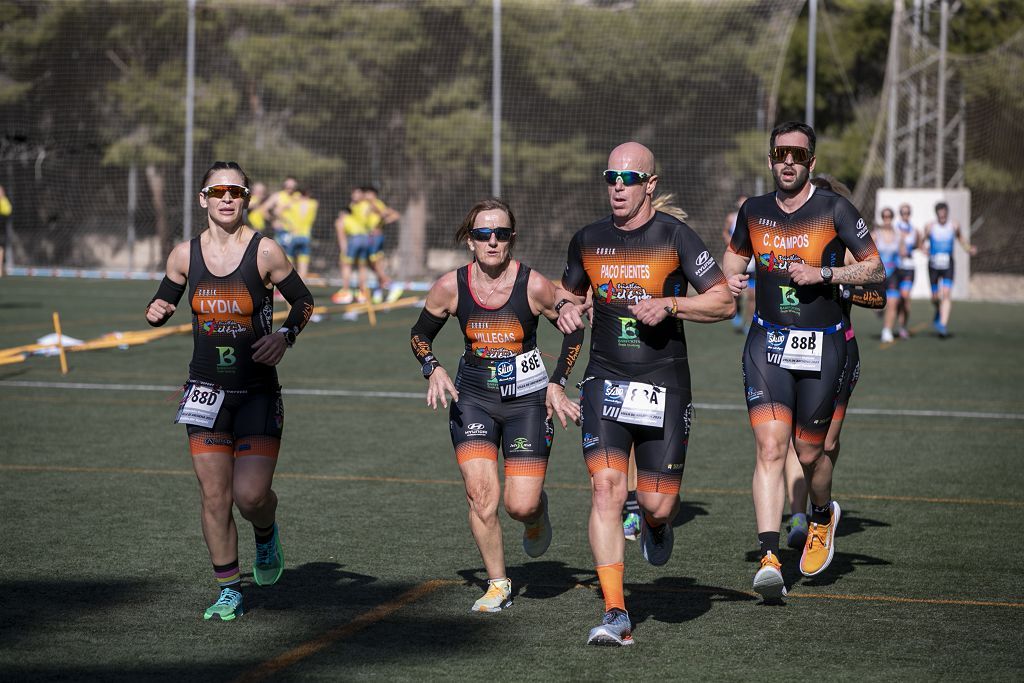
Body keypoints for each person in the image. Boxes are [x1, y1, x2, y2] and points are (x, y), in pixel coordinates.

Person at [556, 142, 734, 646]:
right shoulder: (587, 239)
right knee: (606, 489)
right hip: (605, 378)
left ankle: (657, 526)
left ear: (649, 185)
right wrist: (567, 310)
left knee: (656, 504)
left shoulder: (674, 236)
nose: (617, 185)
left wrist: (671, 305)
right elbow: (570, 296)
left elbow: (721, 302)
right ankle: (616, 611)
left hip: (664, 381)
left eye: (629, 178)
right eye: (610, 175)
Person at [721, 122, 884, 602]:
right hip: (767, 344)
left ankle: (819, 516)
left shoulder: (835, 208)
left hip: (825, 345)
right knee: (771, 448)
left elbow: (875, 268)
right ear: (770, 159)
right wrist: (732, 280)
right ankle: (770, 556)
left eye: (797, 154)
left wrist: (825, 273)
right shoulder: (752, 211)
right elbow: (733, 261)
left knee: (811, 453)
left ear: (811, 161)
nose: (787, 161)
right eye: (779, 153)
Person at [145, 161, 314, 621]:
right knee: (214, 496)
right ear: (203, 199)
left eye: (235, 192)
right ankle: (229, 590)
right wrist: (156, 308)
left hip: (256, 391)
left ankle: (266, 532)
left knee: (250, 496)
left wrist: (284, 337)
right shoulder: (183, 255)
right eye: (217, 191)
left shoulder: (265, 252)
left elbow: (303, 301)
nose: (226, 198)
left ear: (245, 200)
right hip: (203, 391)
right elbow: (165, 297)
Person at [410, 197, 583, 614]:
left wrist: (557, 384)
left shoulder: (534, 285)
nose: (492, 242)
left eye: (501, 234)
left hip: (527, 401)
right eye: (483, 234)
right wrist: (431, 367)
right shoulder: (450, 286)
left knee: (519, 504)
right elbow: (420, 334)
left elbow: (573, 331)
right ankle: (498, 583)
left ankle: (538, 514)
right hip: (474, 400)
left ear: (511, 239)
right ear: (470, 241)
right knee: (480, 495)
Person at [769, 176, 887, 550]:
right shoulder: (789, 240)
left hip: (839, 350)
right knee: (789, 438)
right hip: (790, 347)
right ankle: (799, 518)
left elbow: (878, 296)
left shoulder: (847, 248)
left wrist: (835, 282)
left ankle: (822, 506)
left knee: (824, 443)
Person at [924, 201, 976, 338]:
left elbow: (961, 239)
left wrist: (968, 249)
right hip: (933, 265)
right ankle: (938, 309)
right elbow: (922, 240)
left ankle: (942, 324)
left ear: (947, 213)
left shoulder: (953, 225)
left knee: (946, 294)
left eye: (944, 214)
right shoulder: (930, 226)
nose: (942, 217)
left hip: (948, 265)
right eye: (940, 215)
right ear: (936, 214)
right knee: (935, 297)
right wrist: (923, 249)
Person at [363, 186, 404, 303]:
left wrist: (380, 223)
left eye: (367, 193)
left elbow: (387, 213)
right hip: (372, 237)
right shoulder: (369, 205)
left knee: (374, 263)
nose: (365, 196)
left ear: (373, 194)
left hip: (375, 237)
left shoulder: (376, 203)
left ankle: (393, 286)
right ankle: (378, 290)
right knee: (376, 264)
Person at [331, 187, 372, 305]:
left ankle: (346, 291)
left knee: (346, 265)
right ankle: (363, 293)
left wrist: (343, 248)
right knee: (362, 266)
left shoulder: (346, 216)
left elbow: (341, 234)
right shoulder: (360, 207)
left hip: (354, 239)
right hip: (365, 238)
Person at [722, 194, 751, 333]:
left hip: (751, 262)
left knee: (752, 296)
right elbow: (725, 232)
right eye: (740, 201)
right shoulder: (732, 217)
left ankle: (750, 323)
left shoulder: (754, 217)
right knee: (737, 293)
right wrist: (732, 244)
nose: (742, 204)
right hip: (737, 258)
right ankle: (737, 315)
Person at [874, 207, 903, 343]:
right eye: (884, 217)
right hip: (878, 274)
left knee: (893, 302)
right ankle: (879, 310)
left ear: (892, 218)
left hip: (893, 273)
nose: (887, 219)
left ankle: (887, 330)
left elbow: (903, 252)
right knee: (879, 303)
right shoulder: (875, 235)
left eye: (889, 217)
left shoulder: (898, 235)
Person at [279, 187, 318, 280]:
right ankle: (302, 285)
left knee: (289, 260)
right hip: (306, 236)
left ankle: (291, 282)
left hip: (294, 235)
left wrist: (292, 200)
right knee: (303, 261)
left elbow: (279, 211)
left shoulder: (293, 204)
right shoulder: (313, 204)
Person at [894, 203, 919, 338]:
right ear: (900, 214)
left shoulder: (914, 230)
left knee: (905, 297)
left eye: (907, 212)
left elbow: (918, 244)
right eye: (903, 212)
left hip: (909, 268)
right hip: (896, 268)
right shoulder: (894, 229)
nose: (905, 215)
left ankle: (903, 326)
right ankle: (896, 323)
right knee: (896, 299)